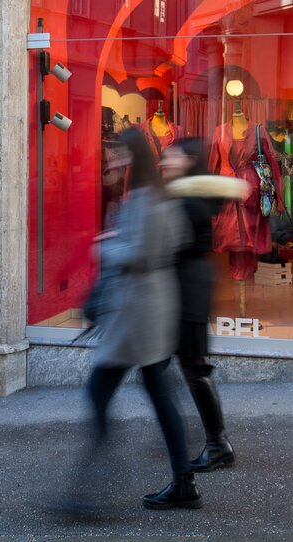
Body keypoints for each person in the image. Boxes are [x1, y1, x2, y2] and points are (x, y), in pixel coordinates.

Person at [75, 127, 200, 512]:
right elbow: (174, 241)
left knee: (99, 392)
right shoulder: (156, 194)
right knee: (160, 397)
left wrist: (105, 245)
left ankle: (92, 490)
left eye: (115, 153)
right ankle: (183, 483)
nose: (110, 160)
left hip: (137, 314)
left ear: (130, 156)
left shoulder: (145, 197)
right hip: (149, 310)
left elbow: (142, 253)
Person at [161, 138, 247, 472]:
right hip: (186, 288)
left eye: (171, 156)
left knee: (194, 367)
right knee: (187, 366)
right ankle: (211, 441)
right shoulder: (188, 195)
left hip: (190, 290)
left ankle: (217, 444)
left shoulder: (191, 199)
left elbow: (178, 242)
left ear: (189, 160)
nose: (165, 161)